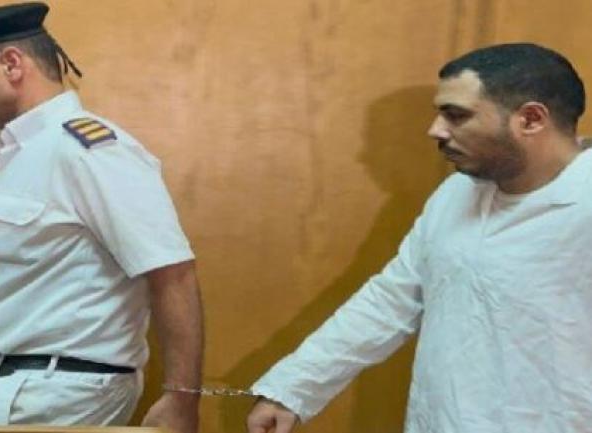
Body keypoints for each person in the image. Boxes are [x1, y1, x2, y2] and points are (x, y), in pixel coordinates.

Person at [0, 3, 203, 432]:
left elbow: (171, 272)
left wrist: (182, 399)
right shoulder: (16, 156)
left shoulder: (89, 150)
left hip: (53, 391)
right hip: (19, 390)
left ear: (12, 64)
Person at [246, 42, 592, 433]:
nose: (436, 130)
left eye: (456, 115)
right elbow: (392, 300)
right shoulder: (457, 193)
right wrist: (293, 389)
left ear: (530, 119)